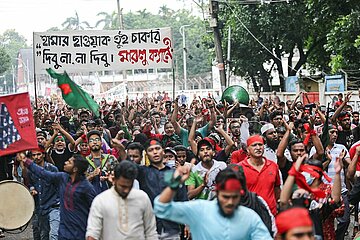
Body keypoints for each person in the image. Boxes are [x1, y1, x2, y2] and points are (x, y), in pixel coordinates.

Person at [154, 166, 272, 239]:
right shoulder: (200, 210)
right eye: (225, 197)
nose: (230, 202)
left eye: (234, 197)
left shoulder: (249, 217)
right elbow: (161, 208)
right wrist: (175, 184)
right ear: (217, 193)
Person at [17, 153, 97, 240]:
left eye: (69, 162)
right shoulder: (63, 178)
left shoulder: (86, 188)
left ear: (75, 169)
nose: (65, 163)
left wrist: (93, 233)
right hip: (64, 231)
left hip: (80, 232)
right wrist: (26, 161)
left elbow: (96, 211)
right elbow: (43, 173)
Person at [86, 160, 158, 240]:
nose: (126, 190)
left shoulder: (142, 198)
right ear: (114, 180)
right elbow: (93, 233)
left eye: (129, 186)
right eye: (123, 186)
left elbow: (151, 231)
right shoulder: (101, 201)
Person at [137, 139, 188, 240]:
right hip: (150, 228)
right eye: (151, 150)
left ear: (163, 151)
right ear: (146, 154)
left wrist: (188, 222)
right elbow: (127, 166)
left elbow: (182, 198)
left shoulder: (172, 173)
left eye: (157, 148)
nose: (155, 152)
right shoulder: (143, 172)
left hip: (171, 227)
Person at [239, 135, 281, 216]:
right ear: (248, 149)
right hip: (249, 214)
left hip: (270, 214)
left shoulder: (273, 166)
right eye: (254, 145)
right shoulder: (240, 168)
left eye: (260, 145)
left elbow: (277, 189)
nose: (258, 148)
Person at [26, 146, 60, 240]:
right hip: (40, 206)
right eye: (34, 155)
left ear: (43, 155)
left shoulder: (52, 169)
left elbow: (59, 185)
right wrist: (32, 189)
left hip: (54, 205)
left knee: (54, 234)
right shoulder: (30, 171)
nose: (36, 157)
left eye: (39, 154)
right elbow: (29, 183)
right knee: (43, 235)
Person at [86, 130, 117, 194]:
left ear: (101, 143)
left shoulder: (111, 158)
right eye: (91, 141)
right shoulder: (84, 161)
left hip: (110, 194)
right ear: (88, 145)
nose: (94, 142)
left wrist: (108, 178)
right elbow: (79, 183)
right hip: (90, 196)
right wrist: (92, 175)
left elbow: (119, 177)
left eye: (97, 140)